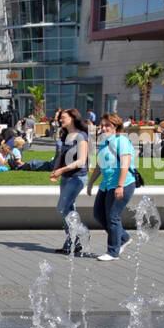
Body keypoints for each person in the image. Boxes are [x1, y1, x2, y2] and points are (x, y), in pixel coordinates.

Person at [87, 113, 135, 261]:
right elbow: (100, 165)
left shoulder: (122, 141)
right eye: (102, 125)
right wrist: (91, 182)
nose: (104, 128)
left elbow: (125, 166)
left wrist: (120, 186)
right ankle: (124, 237)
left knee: (112, 217)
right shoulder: (104, 142)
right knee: (98, 214)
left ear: (116, 126)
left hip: (122, 184)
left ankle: (113, 251)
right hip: (106, 184)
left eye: (107, 125)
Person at [48, 108, 91, 255]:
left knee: (62, 208)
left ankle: (83, 231)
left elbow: (81, 161)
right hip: (66, 177)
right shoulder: (67, 135)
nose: (60, 120)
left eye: (63, 117)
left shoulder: (81, 136)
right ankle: (72, 242)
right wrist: (56, 171)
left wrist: (62, 170)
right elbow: (61, 156)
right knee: (70, 210)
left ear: (73, 118)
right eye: (60, 117)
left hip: (77, 177)